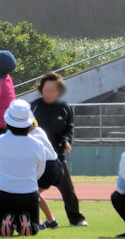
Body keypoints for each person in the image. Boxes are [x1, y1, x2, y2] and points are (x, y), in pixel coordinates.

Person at [30, 72, 87, 227]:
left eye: (52, 90)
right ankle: (34, 219)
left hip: (57, 158)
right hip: (36, 158)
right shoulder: (33, 107)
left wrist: (66, 140)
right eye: (45, 90)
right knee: (29, 190)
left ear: (59, 91)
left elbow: (69, 129)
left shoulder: (65, 108)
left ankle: (76, 218)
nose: (48, 93)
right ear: (41, 90)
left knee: (68, 190)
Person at [0, 100, 47, 236]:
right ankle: (24, 222)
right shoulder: (38, 145)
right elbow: (40, 171)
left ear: (7, 121)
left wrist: (0, 176)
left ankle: (5, 221)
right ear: (30, 122)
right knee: (34, 228)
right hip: (29, 194)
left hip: (2, 193)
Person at [30, 121, 63, 230]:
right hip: (57, 164)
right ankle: (51, 220)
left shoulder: (27, 137)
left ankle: (39, 222)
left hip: (47, 166)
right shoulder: (39, 130)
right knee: (35, 193)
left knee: (30, 193)